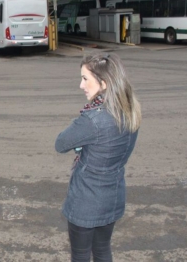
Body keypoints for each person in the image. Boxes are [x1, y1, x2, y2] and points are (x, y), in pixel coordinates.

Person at [55, 53, 141, 262]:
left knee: (81, 254)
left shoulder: (93, 119)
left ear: (103, 83)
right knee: (102, 250)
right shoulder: (129, 110)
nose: (81, 85)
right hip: (112, 196)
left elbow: (60, 143)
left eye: (85, 79)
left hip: (86, 201)